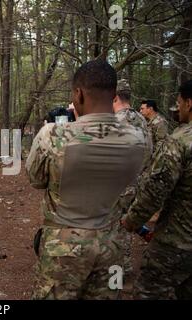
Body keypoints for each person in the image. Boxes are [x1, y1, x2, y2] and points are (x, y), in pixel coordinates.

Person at [26, 60, 149, 299]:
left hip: (64, 247)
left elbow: (36, 179)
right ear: (114, 95)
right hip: (111, 245)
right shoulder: (137, 137)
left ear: (78, 94)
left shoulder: (52, 135)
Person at [122, 80, 192, 299]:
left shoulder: (180, 142)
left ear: (189, 103)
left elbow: (156, 189)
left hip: (178, 241)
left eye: (178, 102)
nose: (176, 107)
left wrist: (132, 220)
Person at [112, 80, 152, 279]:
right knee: (125, 228)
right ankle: (121, 272)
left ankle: (117, 277)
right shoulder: (141, 119)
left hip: (119, 185)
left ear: (114, 97)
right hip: (138, 182)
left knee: (116, 233)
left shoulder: (116, 121)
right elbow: (149, 149)